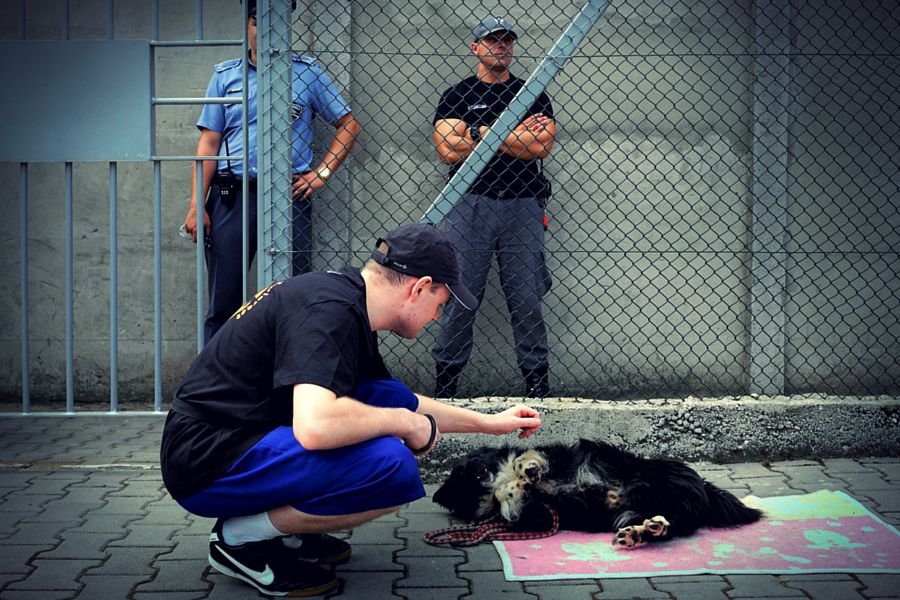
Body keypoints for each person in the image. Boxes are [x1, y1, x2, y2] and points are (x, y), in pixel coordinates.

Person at [160, 222, 543, 597]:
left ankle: (285, 532)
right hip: (204, 460)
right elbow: (316, 426)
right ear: (420, 287)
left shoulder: (347, 302)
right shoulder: (329, 311)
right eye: (440, 304)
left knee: (377, 395)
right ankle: (238, 539)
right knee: (389, 466)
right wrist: (406, 424)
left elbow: (397, 400)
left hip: (233, 441)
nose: (437, 318)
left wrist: (491, 424)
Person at [183, 0, 361, 343]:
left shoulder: (306, 73)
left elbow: (348, 125)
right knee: (225, 298)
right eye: (255, 21)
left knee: (293, 294)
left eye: (272, 21)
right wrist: (196, 205)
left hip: (287, 196)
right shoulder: (225, 77)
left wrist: (321, 174)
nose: (262, 29)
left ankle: (289, 382)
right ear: (247, 26)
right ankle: (217, 385)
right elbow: (209, 145)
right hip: (232, 197)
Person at [431, 16, 557, 398]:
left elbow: (541, 147)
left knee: (526, 298)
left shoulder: (532, 93)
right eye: (491, 41)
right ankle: (447, 384)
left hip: (522, 204)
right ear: (475, 48)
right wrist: (512, 134)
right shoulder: (456, 95)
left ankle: (536, 384)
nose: (500, 47)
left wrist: (480, 131)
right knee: (460, 297)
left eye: (506, 41)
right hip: (469, 204)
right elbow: (446, 150)